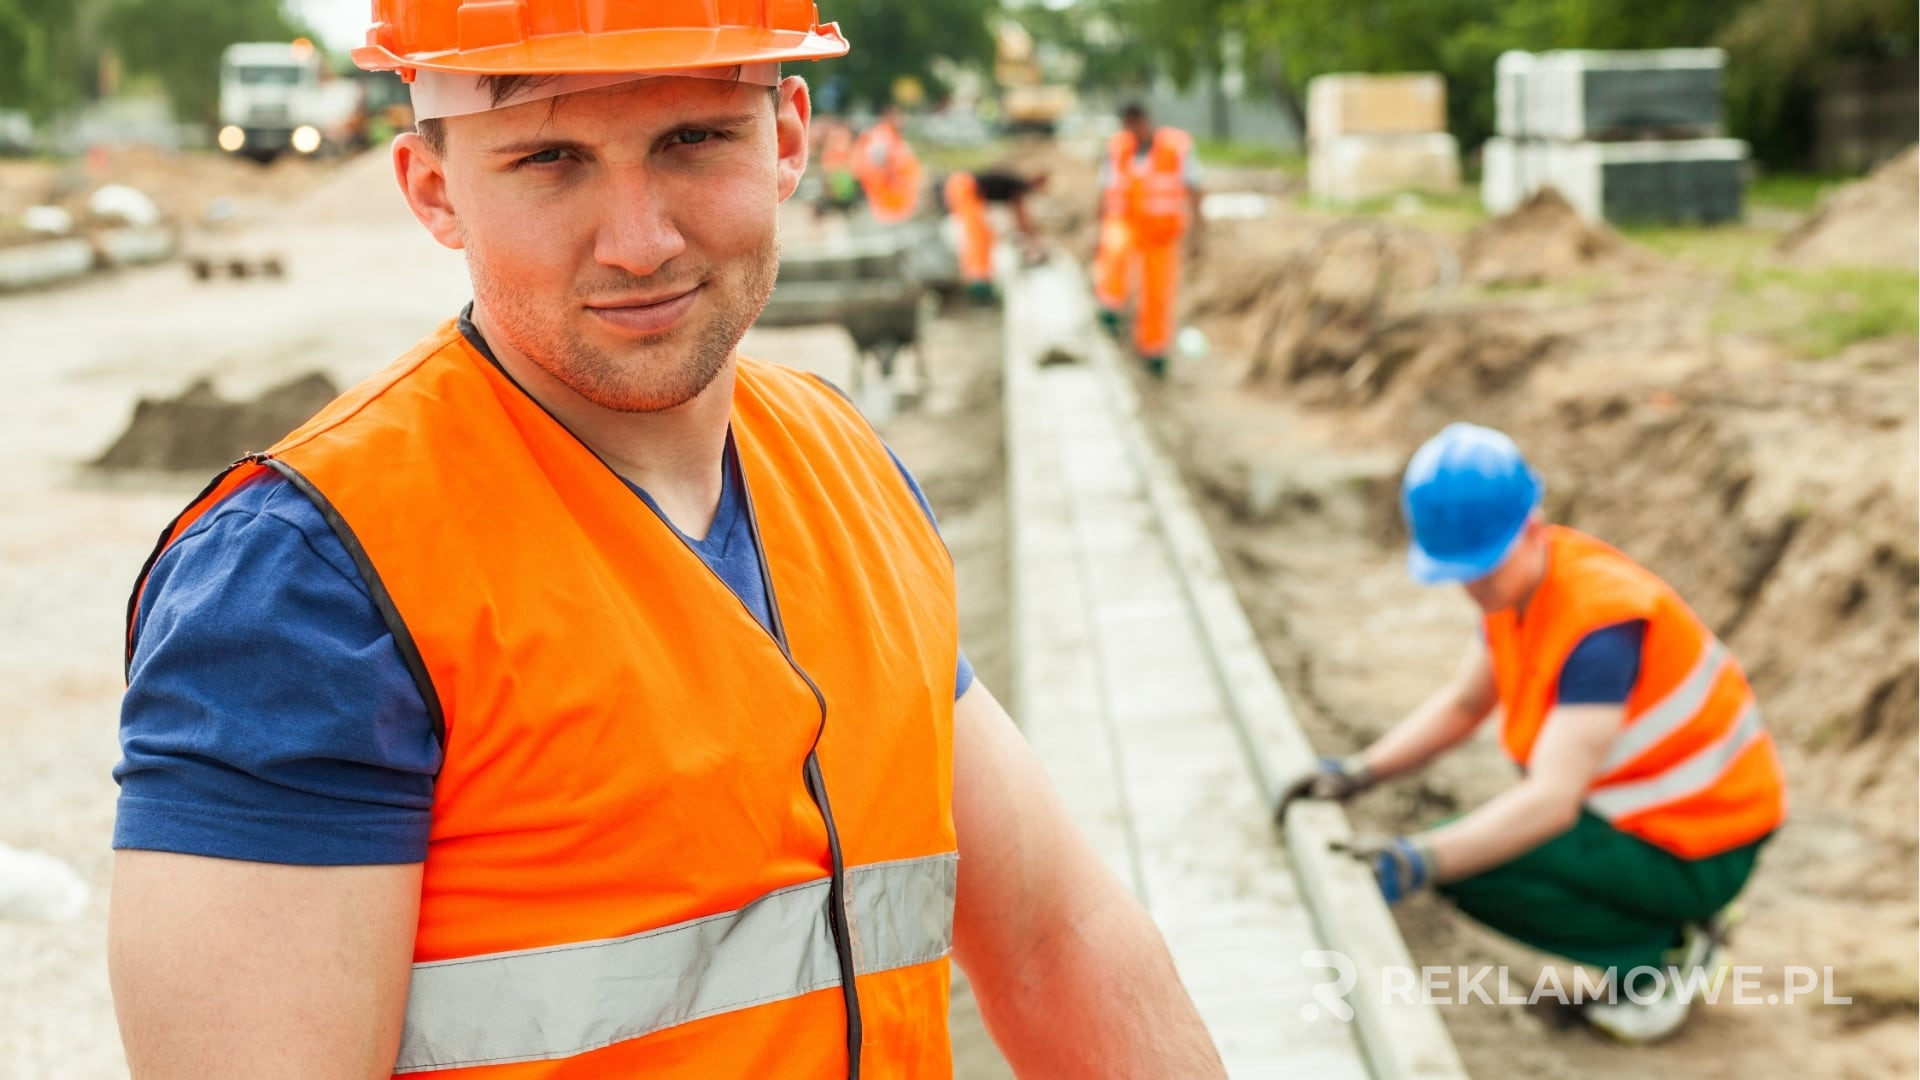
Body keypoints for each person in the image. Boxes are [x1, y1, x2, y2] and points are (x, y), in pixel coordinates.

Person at [105, 3, 1227, 1077]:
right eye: (550, 160)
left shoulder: (843, 467)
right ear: (435, 190)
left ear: (786, 140)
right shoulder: (309, 585)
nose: (639, 245)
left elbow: (1056, 942)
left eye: (692, 139)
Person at [1281, 423, 1787, 1043]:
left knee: (1472, 865)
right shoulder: (1523, 591)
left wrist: (1417, 861)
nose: (1473, 588)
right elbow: (1465, 704)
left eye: (1483, 571)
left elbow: (1550, 801)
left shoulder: (1599, 626)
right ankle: (1669, 922)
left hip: (1705, 841)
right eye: (1461, 574)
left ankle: (1662, 958)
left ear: (1532, 525)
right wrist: (1359, 772)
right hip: (1654, 817)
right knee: (1473, 845)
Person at [1093, 103, 1202, 378]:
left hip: (1160, 233)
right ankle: (1110, 305)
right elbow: (1106, 187)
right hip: (1126, 222)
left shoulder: (1176, 146)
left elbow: (1194, 187)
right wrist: (1098, 221)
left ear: (1147, 120)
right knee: (1114, 252)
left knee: (1157, 292)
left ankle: (1153, 349)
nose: (1133, 130)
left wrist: (1199, 230)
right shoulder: (1118, 148)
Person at [941, 166, 1048, 302]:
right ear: (1038, 182)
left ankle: (981, 278)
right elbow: (1021, 217)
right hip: (965, 187)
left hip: (963, 187)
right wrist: (1033, 240)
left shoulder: (1014, 182)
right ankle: (978, 281)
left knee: (982, 237)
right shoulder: (1019, 185)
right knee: (977, 238)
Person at [852, 104, 922, 226]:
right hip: (889, 205)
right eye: (900, 117)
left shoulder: (893, 137)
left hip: (899, 203)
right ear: (890, 117)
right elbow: (874, 170)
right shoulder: (881, 139)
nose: (904, 121)